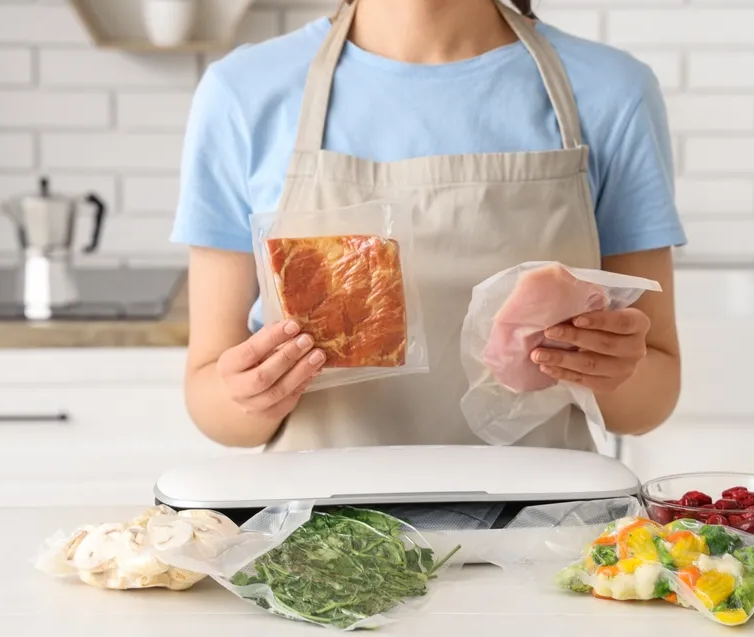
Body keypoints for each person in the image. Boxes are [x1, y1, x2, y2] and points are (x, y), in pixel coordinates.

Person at [171, 0, 685, 452]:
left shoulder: (613, 91)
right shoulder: (242, 93)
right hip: (322, 524)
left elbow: (651, 398)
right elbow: (209, 396)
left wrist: (611, 367)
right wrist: (250, 393)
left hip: (545, 523)